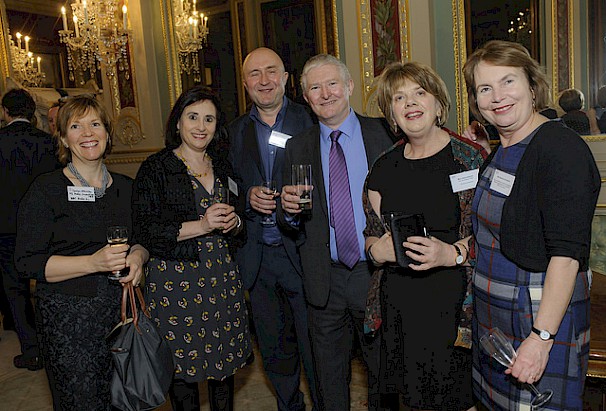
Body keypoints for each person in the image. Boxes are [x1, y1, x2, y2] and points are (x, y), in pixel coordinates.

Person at [462, 40, 600, 410]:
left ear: (532, 85)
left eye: (508, 82)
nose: (497, 97)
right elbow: (491, 232)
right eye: (485, 88)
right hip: (496, 317)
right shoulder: (501, 149)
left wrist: (541, 338)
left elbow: (567, 256)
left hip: (538, 313)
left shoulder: (560, 149)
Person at [364, 61, 486, 410]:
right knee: (412, 399)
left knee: (457, 400)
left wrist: (451, 253)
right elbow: (371, 237)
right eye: (399, 98)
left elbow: (493, 236)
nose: (410, 103)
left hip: (455, 304)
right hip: (400, 305)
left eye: (420, 93)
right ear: (391, 113)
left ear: (438, 104)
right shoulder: (383, 168)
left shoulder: (469, 160)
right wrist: (378, 253)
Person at [14, 94, 148, 410]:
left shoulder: (126, 188)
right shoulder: (46, 190)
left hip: (121, 314)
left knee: (126, 401)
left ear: (107, 132)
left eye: (95, 124)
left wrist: (139, 257)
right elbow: (26, 262)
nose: (88, 134)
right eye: (76, 126)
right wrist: (92, 262)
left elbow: (142, 239)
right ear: (62, 136)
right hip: (68, 322)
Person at [278, 54, 396, 411]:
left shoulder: (385, 133)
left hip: (375, 275)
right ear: (306, 97)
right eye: (315, 87)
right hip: (323, 280)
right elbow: (290, 224)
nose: (325, 93)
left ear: (349, 87)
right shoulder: (297, 146)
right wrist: (287, 210)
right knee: (329, 382)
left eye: (332, 84)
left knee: (383, 374)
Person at [132, 86, 252, 411]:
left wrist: (234, 224)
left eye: (209, 119)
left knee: (223, 372)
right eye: (193, 117)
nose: (201, 126)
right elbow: (145, 230)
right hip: (175, 286)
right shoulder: (156, 169)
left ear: (217, 127)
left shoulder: (224, 167)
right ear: (177, 124)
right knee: (183, 378)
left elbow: (242, 221)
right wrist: (202, 225)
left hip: (221, 281)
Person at [227, 47, 318, 411]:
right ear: (245, 83)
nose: (263, 81)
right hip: (257, 259)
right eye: (254, 74)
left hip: (302, 252)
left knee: (316, 348)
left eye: (271, 72)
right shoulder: (233, 132)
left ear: (285, 78)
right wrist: (245, 196)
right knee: (274, 349)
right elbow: (224, 187)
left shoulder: (311, 120)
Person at [0, 88, 57, 371]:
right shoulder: (48, 142)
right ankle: (55, 345)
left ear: (5, 112)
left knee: (15, 290)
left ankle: (32, 351)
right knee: (49, 284)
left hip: (6, 229)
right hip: (46, 225)